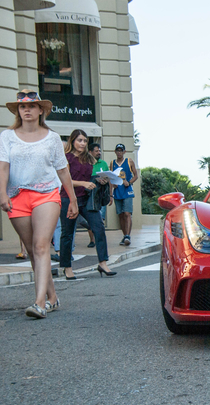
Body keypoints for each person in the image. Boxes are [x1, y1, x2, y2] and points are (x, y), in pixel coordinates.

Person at [0, 89, 78, 319]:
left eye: (31, 106)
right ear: (18, 111)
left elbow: (62, 170)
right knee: (34, 251)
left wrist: (72, 198)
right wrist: (2, 194)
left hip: (46, 195)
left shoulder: (52, 137)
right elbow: (3, 166)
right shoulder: (7, 136)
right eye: (22, 107)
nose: (26, 110)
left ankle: (39, 303)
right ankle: (52, 298)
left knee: (42, 246)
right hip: (17, 196)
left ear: (40, 110)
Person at [60, 129, 116, 280]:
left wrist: (100, 180)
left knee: (99, 228)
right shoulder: (66, 158)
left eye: (85, 141)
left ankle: (103, 263)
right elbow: (64, 180)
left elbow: (91, 177)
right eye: (79, 140)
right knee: (68, 234)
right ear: (72, 141)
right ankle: (67, 267)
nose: (83, 143)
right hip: (68, 198)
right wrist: (84, 183)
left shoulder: (90, 159)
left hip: (87, 199)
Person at [110, 143, 137, 246]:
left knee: (127, 213)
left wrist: (129, 182)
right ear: (115, 152)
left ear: (124, 152)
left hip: (127, 190)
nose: (119, 152)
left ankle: (128, 236)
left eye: (121, 150)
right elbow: (111, 177)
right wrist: (112, 187)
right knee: (120, 214)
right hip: (118, 191)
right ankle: (124, 235)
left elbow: (136, 175)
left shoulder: (129, 161)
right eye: (118, 150)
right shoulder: (112, 163)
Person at [85, 143, 112, 247]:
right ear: (90, 152)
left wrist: (110, 195)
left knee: (100, 218)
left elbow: (108, 179)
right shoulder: (86, 164)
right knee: (90, 218)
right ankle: (92, 240)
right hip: (90, 194)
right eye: (96, 151)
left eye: (99, 151)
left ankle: (99, 239)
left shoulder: (103, 163)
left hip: (101, 195)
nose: (99, 153)